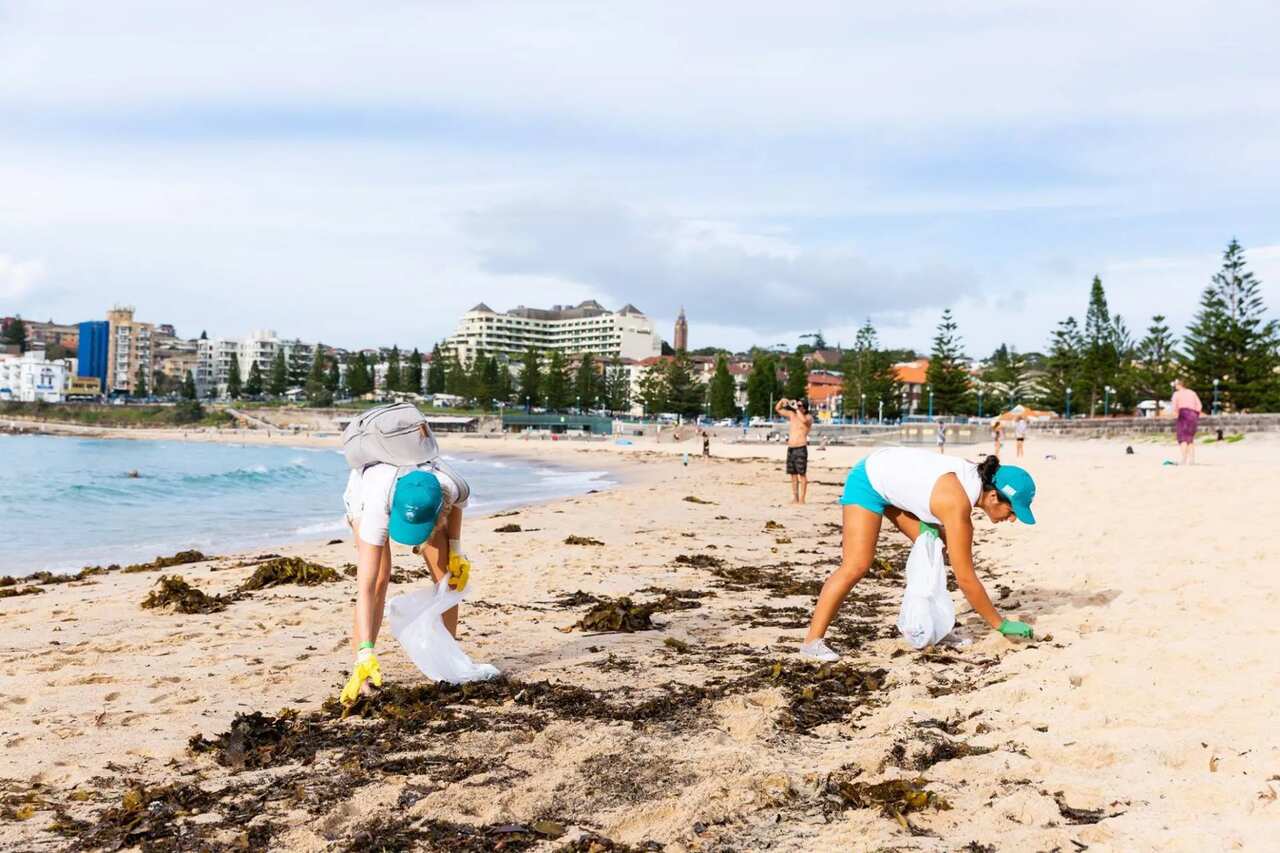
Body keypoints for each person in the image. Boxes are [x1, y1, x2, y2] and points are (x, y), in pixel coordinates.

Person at [800, 448, 1037, 661]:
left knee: (935, 545)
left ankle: (934, 628)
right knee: (857, 565)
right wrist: (1001, 624)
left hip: (894, 481)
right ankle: (812, 642)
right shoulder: (957, 504)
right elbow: (965, 578)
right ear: (994, 496)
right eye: (1012, 510)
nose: (1013, 518)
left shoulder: (973, 481)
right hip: (869, 480)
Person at [339, 426, 472, 705]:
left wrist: (457, 551)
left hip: (421, 497)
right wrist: (365, 651)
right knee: (379, 578)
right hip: (368, 498)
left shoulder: (449, 485)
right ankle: (363, 673)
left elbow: (457, 507)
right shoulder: (375, 504)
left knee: (446, 573)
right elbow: (365, 586)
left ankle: (445, 664)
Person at [775, 397, 813, 504]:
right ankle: (795, 497)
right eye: (798, 405)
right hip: (791, 448)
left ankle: (802, 498)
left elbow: (804, 421)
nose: (798, 406)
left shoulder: (808, 417)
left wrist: (796, 409)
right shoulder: (793, 415)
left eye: (800, 405)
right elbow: (778, 409)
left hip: (801, 447)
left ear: (805, 408)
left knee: (802, 475)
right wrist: (782, 401)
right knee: (793, 475)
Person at [1170, 378, 1203, 465]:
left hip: (1183, 414)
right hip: (1193, 415)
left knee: (1182, 438)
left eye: (1176, 384)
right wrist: (1195, 414)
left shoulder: (1176, 394)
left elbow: (1174, 407)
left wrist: (1176, 415)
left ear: (1179, 385)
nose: (1175, 386)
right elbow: (1199, 405)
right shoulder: (1192, 393)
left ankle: (1184, 459)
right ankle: (1192, 460)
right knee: (1190, 438)